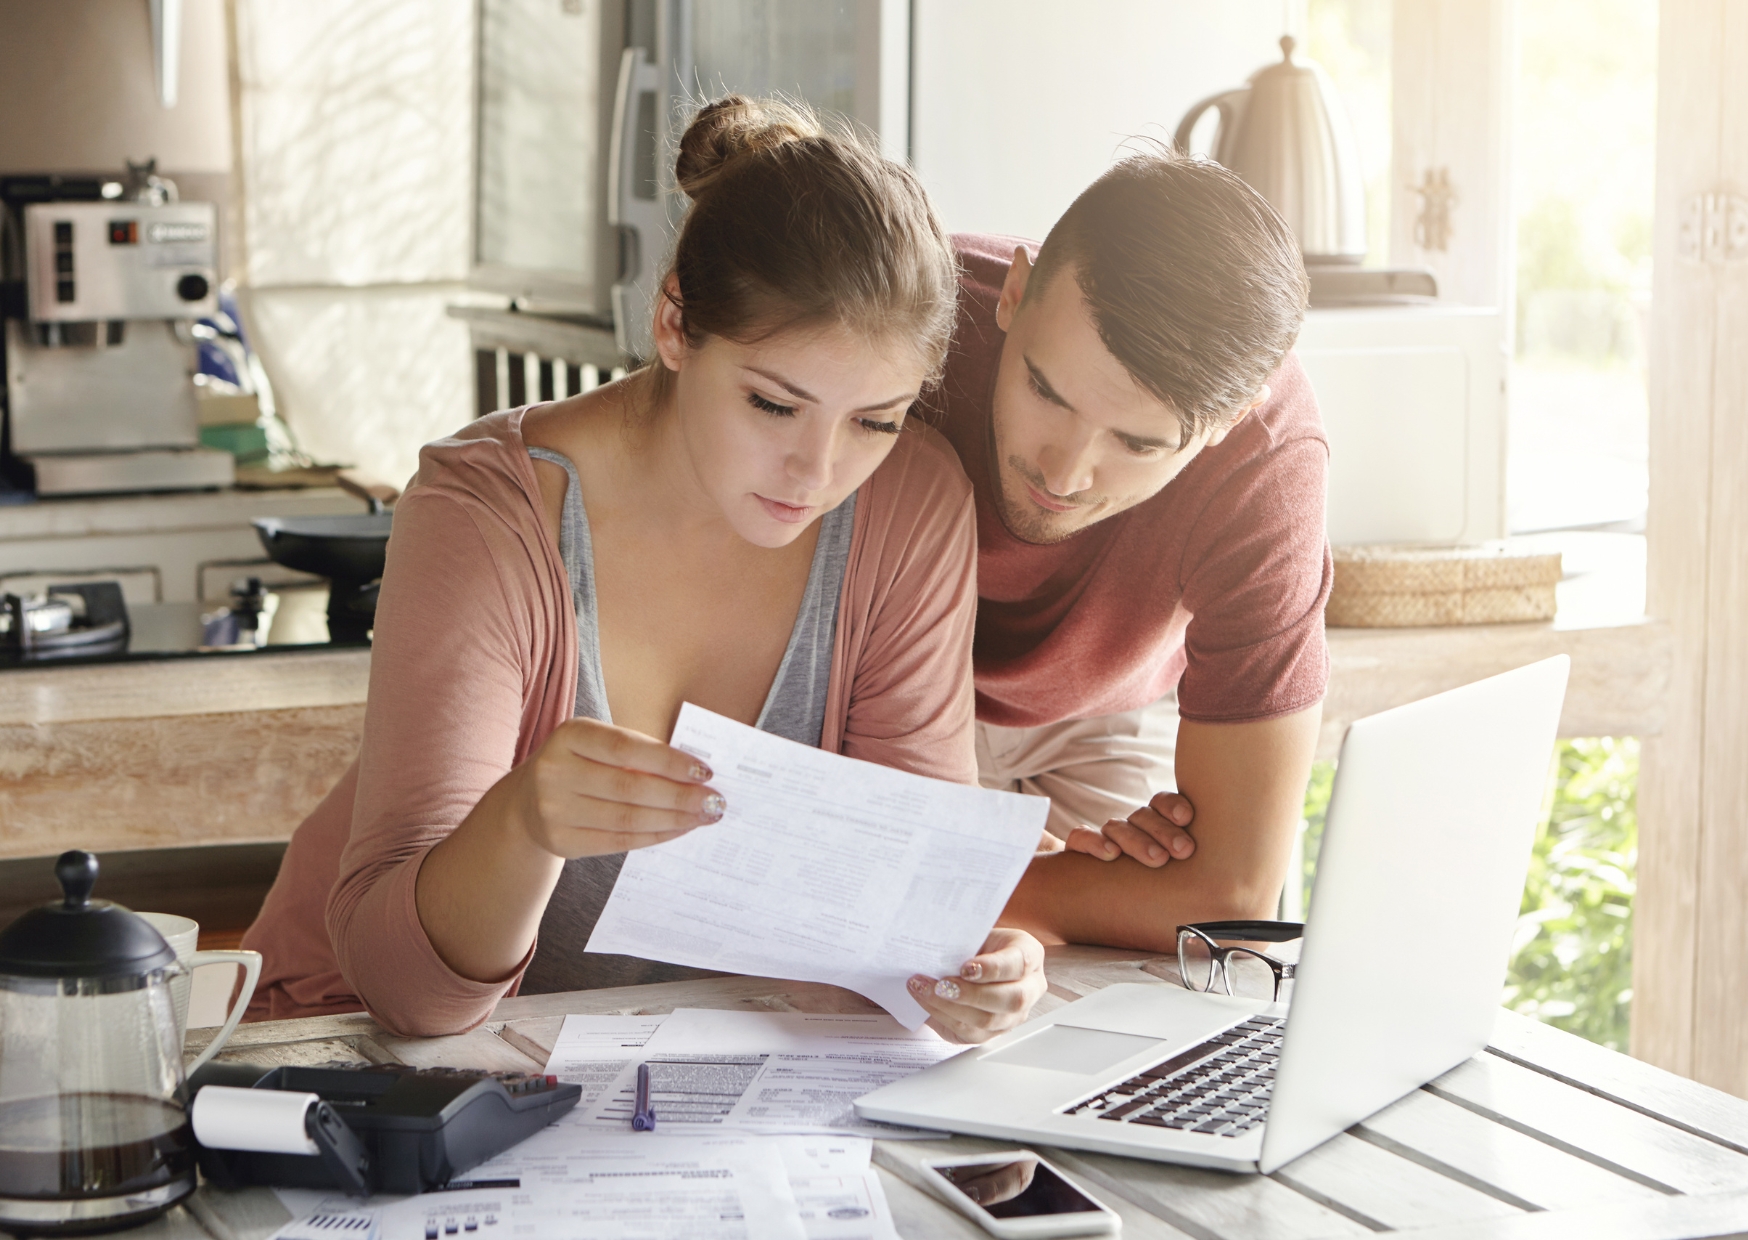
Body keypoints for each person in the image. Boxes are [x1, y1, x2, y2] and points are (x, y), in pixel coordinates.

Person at [241, 97, 1047, 1042]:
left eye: (874, 419)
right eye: (773, 404)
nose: (818, 471)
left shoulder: (911, 503)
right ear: (674, 325)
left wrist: (970, 967)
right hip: (359, 1055)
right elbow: (408, 999)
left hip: (667, 1080)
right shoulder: (485, 513)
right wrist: (522, 826)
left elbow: (887, 926)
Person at [930, 150, 1331, 950]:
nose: (1063, 472)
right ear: (1013, 292)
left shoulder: (1268, 461)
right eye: (1046, 391)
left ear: (1228, 423)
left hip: (1103, 716)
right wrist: (1029, 887)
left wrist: (951, 882)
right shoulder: (909, 314)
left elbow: (1233, 898)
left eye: (1138, 443)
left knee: (1132, 1005)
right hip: (881, 701)